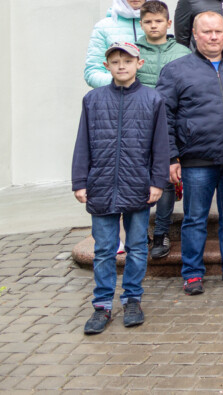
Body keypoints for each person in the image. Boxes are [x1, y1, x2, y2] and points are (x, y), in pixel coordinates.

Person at [157, 12, 223, 296]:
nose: (214, 37)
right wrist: (171, 157)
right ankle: (192, 273)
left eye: (218, 31)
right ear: (194, 33)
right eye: (207, 32)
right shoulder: (176, 70)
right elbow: (164, 117)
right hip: (196, 160)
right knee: (195, 218)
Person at [72, 41, 169, 334]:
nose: (121, 66)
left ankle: (132, 299)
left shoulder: (153, 100)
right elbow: (82, 144)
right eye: (115, 62)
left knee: (138, 247)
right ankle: (102, 305)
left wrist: (157, 181)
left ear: (139, 64)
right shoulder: (93, 100)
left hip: (137, 184)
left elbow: (160, 147)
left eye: (127, 60)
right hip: (100, 184)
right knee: (104, 249)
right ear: (107, 67)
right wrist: (79, 181)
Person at [134, 1, 190, 261]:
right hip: (140, 125)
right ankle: (138, 232)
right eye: (148, 22)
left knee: (167, 179)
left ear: (168, 24)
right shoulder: (133, 52)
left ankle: (161, 232)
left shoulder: (181, 52)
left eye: (158, 21)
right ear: (141, 24)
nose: (153, 26)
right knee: (139, 179)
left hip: (170, 124)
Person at [85, 0, 148, 88]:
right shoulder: (103, 27)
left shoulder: (155, 24)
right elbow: (92, 72)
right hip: (114, 99)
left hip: (150, 100)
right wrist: (121, 82)